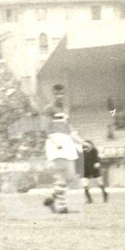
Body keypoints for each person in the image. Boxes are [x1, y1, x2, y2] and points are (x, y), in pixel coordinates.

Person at [40, 84, 82, 214]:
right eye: (57, 94)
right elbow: (45, 129)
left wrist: (82, 142)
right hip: (56, 141)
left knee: (71, 176)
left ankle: (51, 199)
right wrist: (55, 143)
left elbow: (69, 128)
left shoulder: (65, 109)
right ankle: (62, 207)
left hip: (67, 141)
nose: (60, 96)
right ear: (53, 94)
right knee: (62, 177)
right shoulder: (49, 109)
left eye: (62, 93)